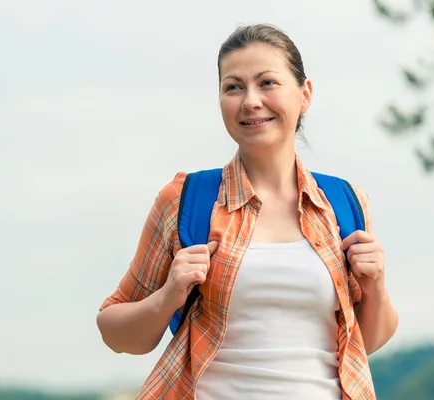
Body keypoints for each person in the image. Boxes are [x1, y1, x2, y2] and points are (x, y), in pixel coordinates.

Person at [96, 23, 398, 400]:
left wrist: (375, 287)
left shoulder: (344, 202)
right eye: (233, 87)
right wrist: (168, 296)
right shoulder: (185, 199)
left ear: (305, 94)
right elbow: (114, 331)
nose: (250, 100)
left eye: (267, 82)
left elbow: (364, 342)